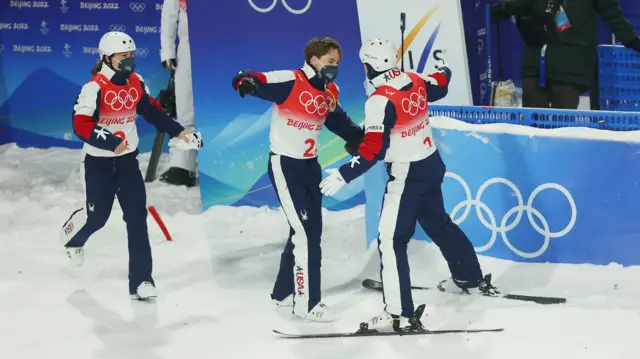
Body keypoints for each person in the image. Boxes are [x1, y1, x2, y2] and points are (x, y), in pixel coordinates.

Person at [319, 38, 498, 332]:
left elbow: (374, 150)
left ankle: (398, 315)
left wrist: (343, 174)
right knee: (438, 223)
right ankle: (470, 278)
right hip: (431, 165)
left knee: (390, 241)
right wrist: (445, 67)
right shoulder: (414, 79)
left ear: (369, 67)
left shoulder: (379, 101)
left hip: (407, 176)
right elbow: (441, 82)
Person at [60, 31, 203, 300]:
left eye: (131, 55)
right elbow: (81, 125)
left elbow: (152, 111)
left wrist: (179, 132)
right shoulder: (94, 87)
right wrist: (110, 140)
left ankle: (141, 281)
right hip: (99, 163)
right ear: (107, 58)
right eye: (123, 56)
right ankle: (73, 237)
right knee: (97, 218)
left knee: (137, 218)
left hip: (127, 162)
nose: (129, 61)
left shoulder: (137, 83)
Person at [231, 37, 364, 322]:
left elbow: (338, 122)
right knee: (305, 234)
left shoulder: (330, 91)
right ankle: (308, 304)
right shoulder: (289, 80)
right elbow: (246, 76)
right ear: (314, 60)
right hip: (285, 167)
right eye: (330, 62)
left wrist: (364, 140)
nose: (334, 68)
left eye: (338, 63)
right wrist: (246, 84)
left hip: (310, 168)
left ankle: (282, 293)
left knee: (307, 231)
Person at [491, 0, 640, 110]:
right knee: (533, 127)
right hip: (535, 57)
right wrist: (500, 10)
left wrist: (632, 41)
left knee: (562, 125)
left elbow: (612, 14)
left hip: (570, 61)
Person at [160, 0, 198, 186]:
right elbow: (169, 14)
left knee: (221, 104)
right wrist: (168, 51)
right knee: (185, 107)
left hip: (224, 41)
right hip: (188, 46)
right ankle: (183, 166)